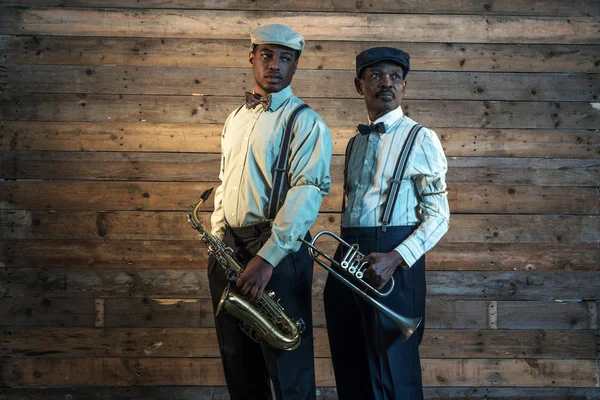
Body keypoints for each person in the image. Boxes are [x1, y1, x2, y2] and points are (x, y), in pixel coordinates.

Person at [208, 24, 332, 400]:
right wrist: (217, 237)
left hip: (277, 250)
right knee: (239, 364)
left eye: (285, 58)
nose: (275, 65)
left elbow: (307, 192)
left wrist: (268, 257)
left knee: (287, 365)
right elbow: (224, 179)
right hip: (230, 247)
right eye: (267, 55)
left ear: (296, 65)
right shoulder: (236, 118)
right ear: (251, 58)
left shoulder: (306, 122)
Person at [323, 47, 450, 400]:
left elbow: (439, 217)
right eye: (376, 75)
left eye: (394, 77)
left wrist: (395, 257)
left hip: (395, 259)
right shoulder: (354, 144)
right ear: (358, 84)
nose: (386, 83)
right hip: (350, 253)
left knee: (395, 372)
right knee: (351, 363)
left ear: (404, 86)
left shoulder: (422, 139)